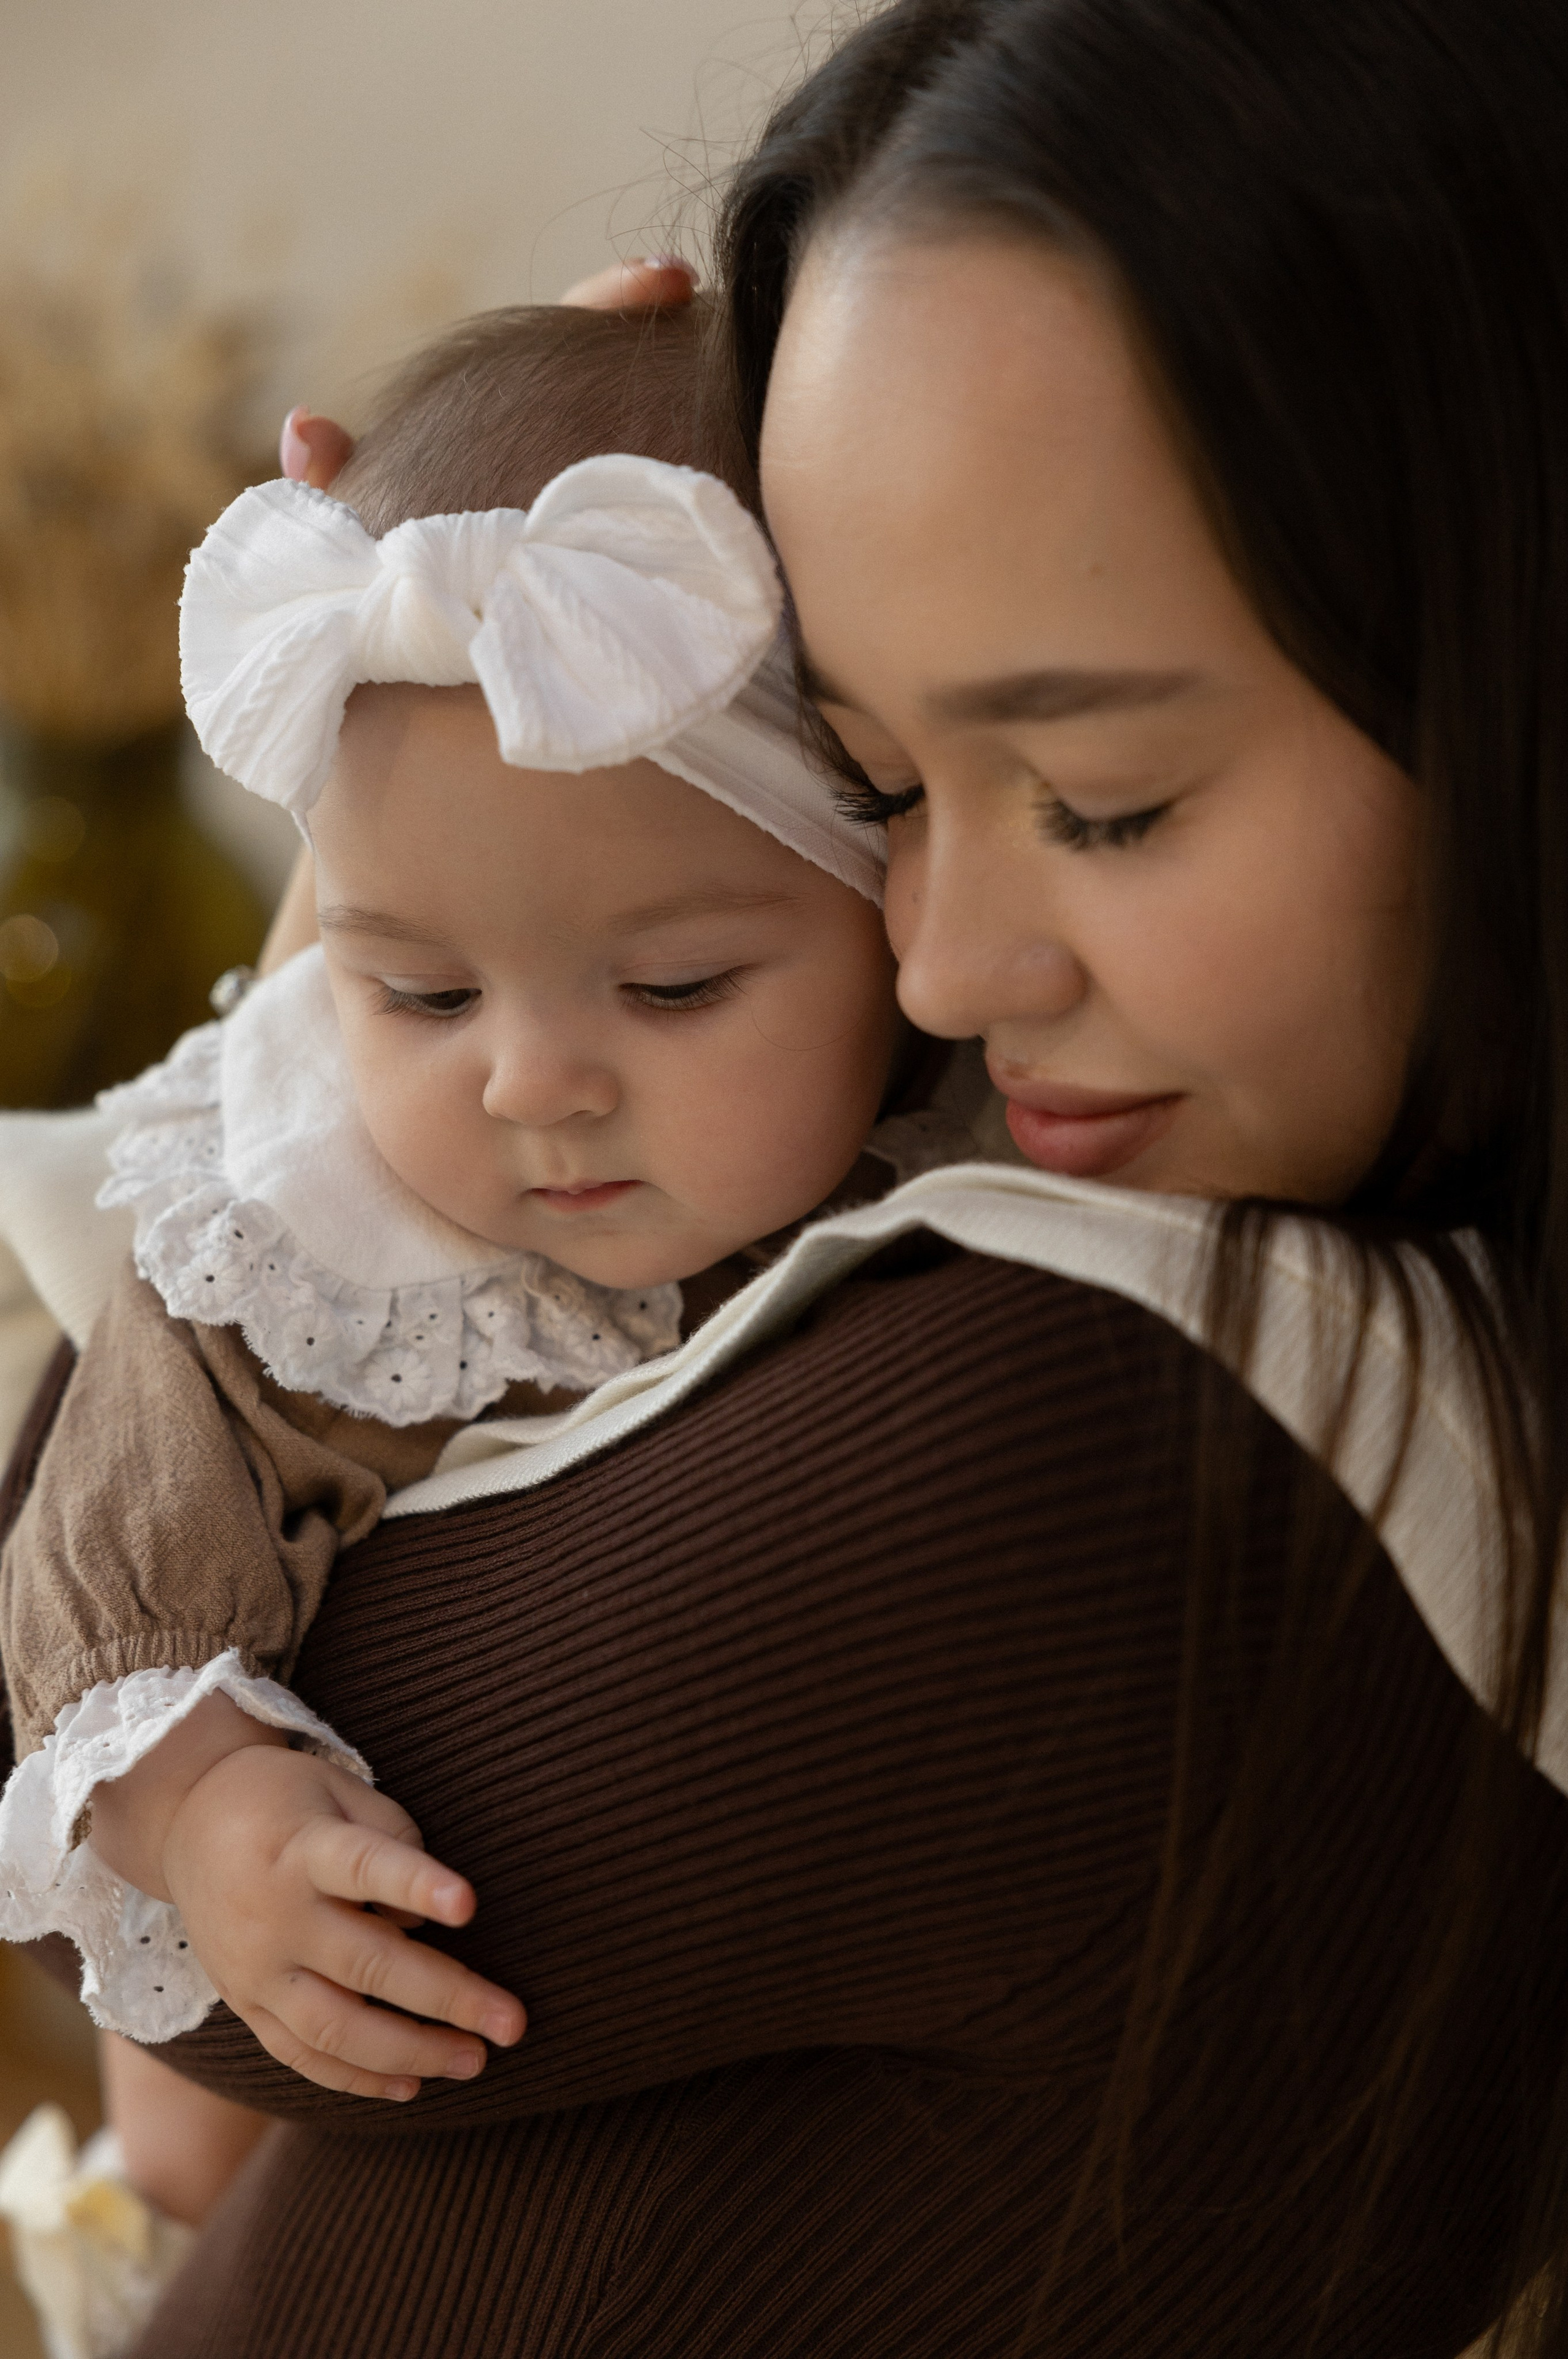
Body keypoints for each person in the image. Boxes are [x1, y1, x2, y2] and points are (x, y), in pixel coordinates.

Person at [5, 0, 1568, 2351]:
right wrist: (499, 749)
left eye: (1110, 804)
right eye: (864, 784)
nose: (936, 969)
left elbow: (173, 1900)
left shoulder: (1104, 1445)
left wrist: (403, 874)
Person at [0, 299, 954, 2337]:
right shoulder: (304, 1231)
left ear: (892, 893)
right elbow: (96, 1587)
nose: (532, 1086)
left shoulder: (973, 1128)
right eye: (417, 993)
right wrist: (218, 1811)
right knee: (186, 2144)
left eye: (675, 987)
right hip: (290, 1928)